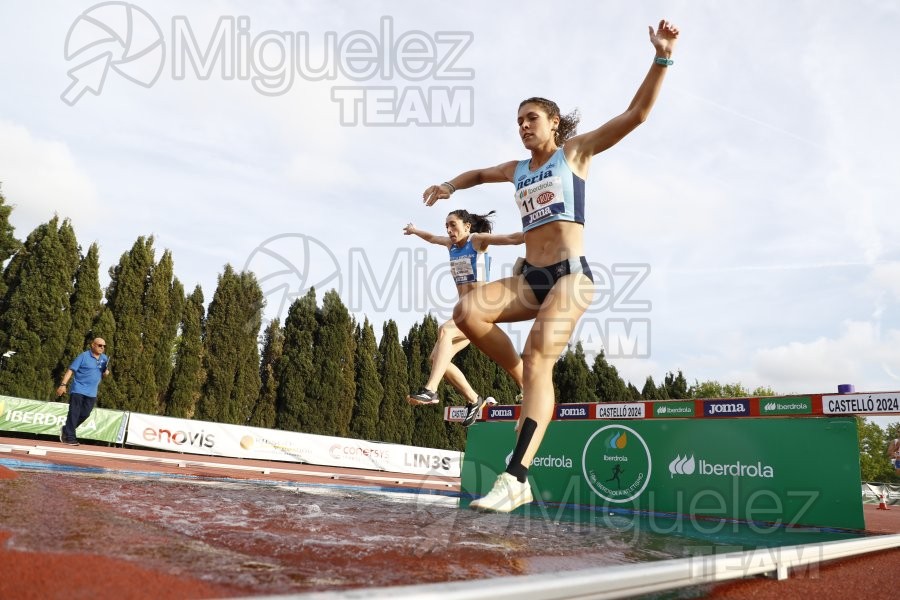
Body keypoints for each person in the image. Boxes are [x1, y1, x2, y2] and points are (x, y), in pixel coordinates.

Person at [422, 20, 680, 512]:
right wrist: (451, 187)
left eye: (532, 118)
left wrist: (662, 57)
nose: (523, 126)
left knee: (543, 356)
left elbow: (637, 114)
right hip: (529, 279)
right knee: (467, 313)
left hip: (571, 277)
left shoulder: (574, 154)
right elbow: (479, 172)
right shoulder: (517, 170)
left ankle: (516, 476)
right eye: (518, 120)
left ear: (554, 125)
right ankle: (526, 379)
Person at [404, 210, 525, 427]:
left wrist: (537, 233)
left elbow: (510, 239)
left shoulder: (476, 241)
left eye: (453, 225)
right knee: (436, 359)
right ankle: (473, 399)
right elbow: (432, 238)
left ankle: (431, 390)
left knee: (445, 330)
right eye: (446, 226)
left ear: (467, 226)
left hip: (481, 312)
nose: (449, 231)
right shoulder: (451, 246)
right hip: (464, 318)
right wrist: (414, 231)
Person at [56, 337, 110, 445]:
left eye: (104, 346)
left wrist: (106, 373)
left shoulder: (104, 358)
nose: (102, 348)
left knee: (85, 414)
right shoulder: (83, 356)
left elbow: (103, 374)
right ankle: (70, 438)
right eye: (100, 345)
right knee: (74, 413)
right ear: (93, 345)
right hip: (78, 389)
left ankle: (67, 429)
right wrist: (63, 385)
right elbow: (70, 370)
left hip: (92, 392)